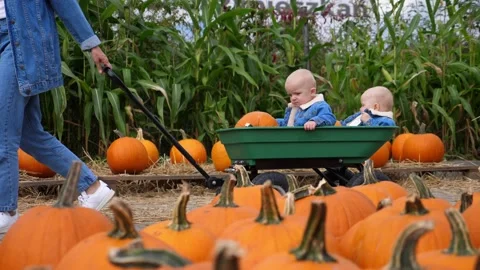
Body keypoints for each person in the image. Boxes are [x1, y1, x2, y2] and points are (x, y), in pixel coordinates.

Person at [0, 0, 115, 234]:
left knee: (2, 132)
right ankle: (93, 187)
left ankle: (6, 210)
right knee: (30, 135)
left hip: (19, 40)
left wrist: (90, 43)